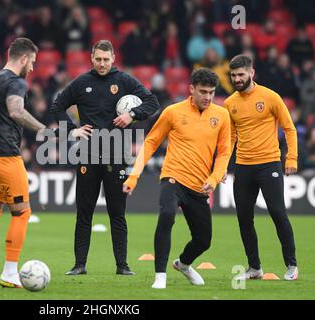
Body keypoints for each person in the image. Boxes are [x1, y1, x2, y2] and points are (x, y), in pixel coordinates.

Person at [0, 38, 75, 288]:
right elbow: (16, 111)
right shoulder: (16, 82)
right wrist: (47, 132)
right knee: (22, 213)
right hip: (4, 156)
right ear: (23, 58)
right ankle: (10, 273)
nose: (32, 68)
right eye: (31, 62)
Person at [51, 40, 160, 276]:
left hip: (116, 155)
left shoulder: (124, 81)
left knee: (117, 213)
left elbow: (152, 102)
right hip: (87, 156)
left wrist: (132, 115)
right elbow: (57, 106)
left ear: (113, 59)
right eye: (98, 59)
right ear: (92, 57)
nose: (102, 64)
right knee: (84, 212)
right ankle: (80, 265)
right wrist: (72, 130)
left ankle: (122, 265)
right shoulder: (81, 83)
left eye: (106, 59)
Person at [123, 68, 231, 289]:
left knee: (203, 240)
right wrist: (133, 176)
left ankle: (182, 264)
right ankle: (160, 274)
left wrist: (214, 177)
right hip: (173, 177)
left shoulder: (222, 116)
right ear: (191, 89)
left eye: (211, 92)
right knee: (167, 214)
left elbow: (224, 152)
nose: (208, 97)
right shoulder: (173, 112)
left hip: (200, 186)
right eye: (203, 92)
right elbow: (151, 142)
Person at [224, 54, 299, 281]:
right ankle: (254, 268)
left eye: (240, 74)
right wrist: (221, 167)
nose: (237, 79)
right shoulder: (229, 103)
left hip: (269, 165)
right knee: (244, 218)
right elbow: (230, 138)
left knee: (278, 213)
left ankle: (292, 265)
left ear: (251, 73)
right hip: (243, 167)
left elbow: (290, 129)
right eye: (233, 75)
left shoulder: (270, 97)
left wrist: (292, 158)